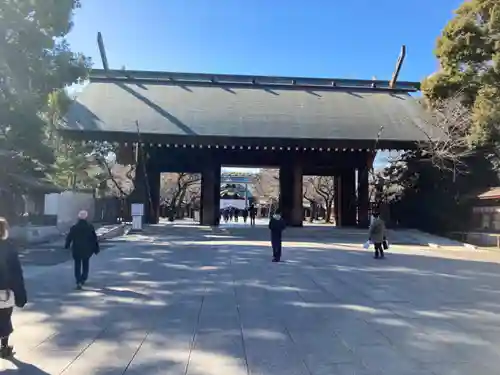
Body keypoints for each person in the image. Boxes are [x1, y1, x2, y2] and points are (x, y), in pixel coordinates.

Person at [0, 217, 27, 358]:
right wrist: (20, 294)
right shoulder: (8, 247)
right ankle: (4, 347)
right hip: (4, 292)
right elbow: (16, 273)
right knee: (4, 318)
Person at [65, 210, 100, 289]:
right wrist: (96, 248)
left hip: (76, 249)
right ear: (86, 217)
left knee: (77, 265)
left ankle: (78, 280)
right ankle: (83, 278)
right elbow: (94, 239)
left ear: (78, 217)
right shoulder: (90, 227)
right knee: (85, 263)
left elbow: (69, 237)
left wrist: (67, 245)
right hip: (87, 249)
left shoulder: (74, 227)